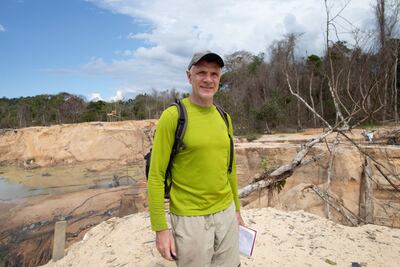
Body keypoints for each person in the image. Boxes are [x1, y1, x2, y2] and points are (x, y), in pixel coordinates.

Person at [148, 50, 245, 267]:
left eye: (214, 74)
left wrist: (236, 210)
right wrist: (160, 229)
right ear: (189, 76)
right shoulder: (173, 117)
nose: (208, 79)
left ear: (219, 79)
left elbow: (230, 168)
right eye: (201, 72)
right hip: (189, 219)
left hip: (226, 213)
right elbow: (156, 176)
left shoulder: (224, 118)